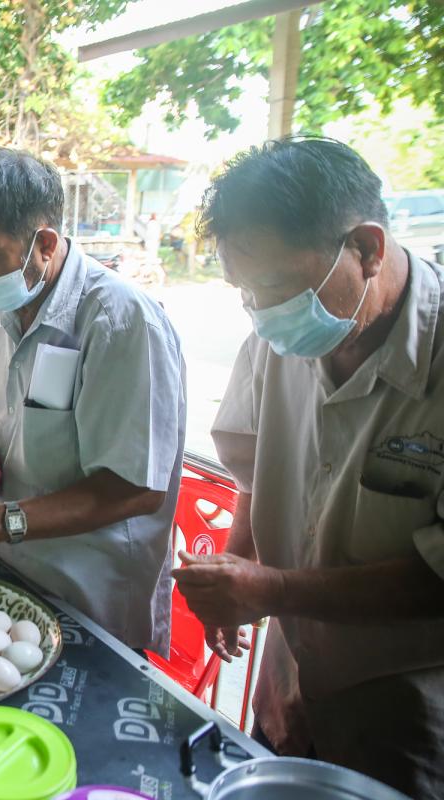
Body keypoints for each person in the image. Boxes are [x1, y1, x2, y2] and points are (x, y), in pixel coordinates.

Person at [173, 137, 444, 796]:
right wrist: (233, 578)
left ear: (368, 249)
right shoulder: (278, 335)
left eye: (274, 285)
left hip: (405, 708)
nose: (261, 312)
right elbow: (253, 473)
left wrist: (273, 590)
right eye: (243, 291)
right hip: (290, 665)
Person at [0, 149, 187, 654]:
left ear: (45, 244)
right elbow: (25, 426)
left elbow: (136, 488)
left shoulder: (121, 323)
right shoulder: (13, 308)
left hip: (89, 603)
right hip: (15, 578)